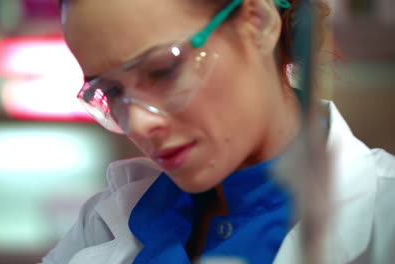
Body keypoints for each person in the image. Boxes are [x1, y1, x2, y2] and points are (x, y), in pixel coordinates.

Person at [42, 0, 395, 263]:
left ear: (257, 23)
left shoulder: (386, 215)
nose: (138, 124)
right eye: (112, 92)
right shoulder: (102, 227)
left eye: (163, 71)